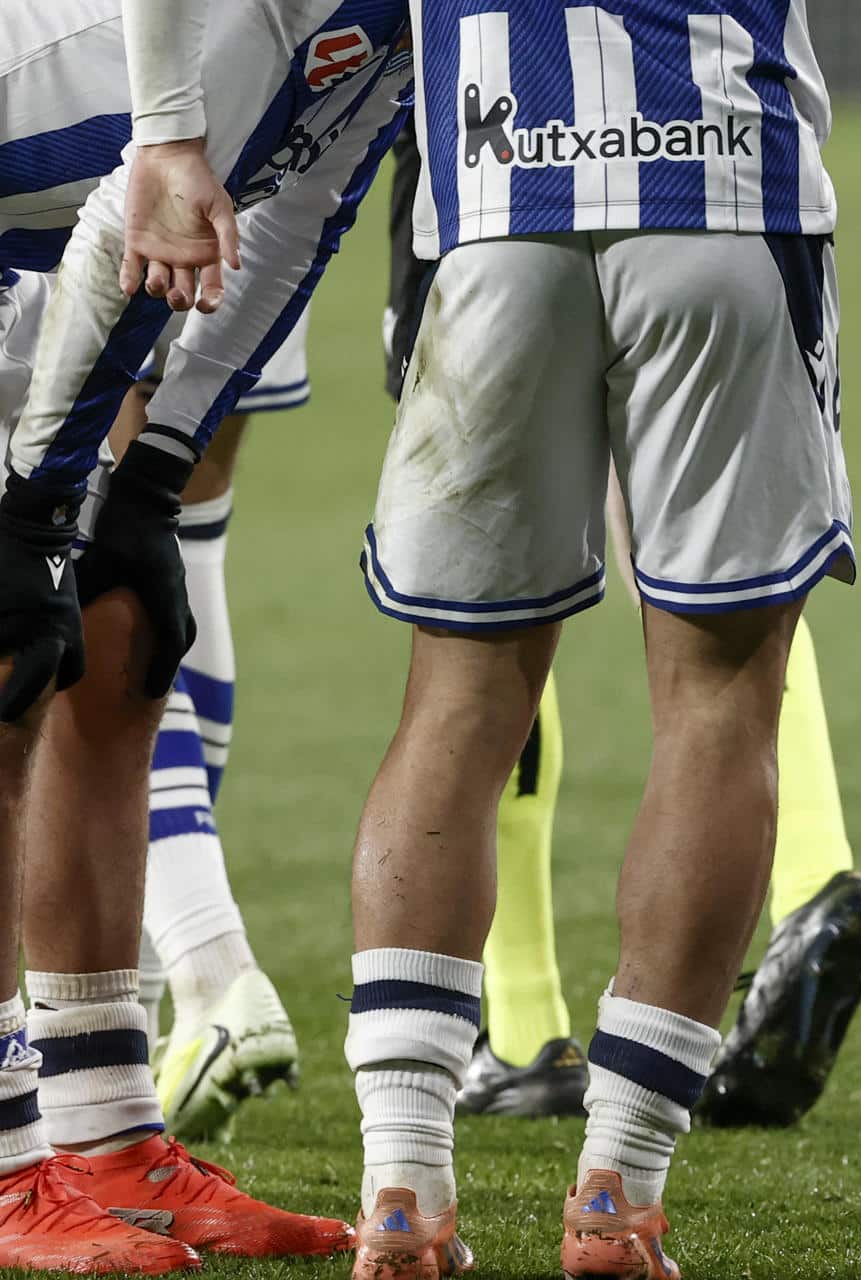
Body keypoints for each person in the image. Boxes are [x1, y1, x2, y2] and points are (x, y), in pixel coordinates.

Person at [330, 3, 849, 1274]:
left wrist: (183, 135)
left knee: (454, 703)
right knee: (720, 700)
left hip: (492, 199)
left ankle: (403, 1188)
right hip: (720, 190)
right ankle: (617, 1192)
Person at [0, 0, 415, 1268]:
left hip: (53, 237)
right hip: (67, 220)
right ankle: (10, 1165)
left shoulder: (422, 31)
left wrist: (152, 467)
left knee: (120, 629)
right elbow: (141, 202)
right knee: (8, 650)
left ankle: (108, 1129)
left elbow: (295, 223)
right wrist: (34, 508)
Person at [377, 117, 861, 1129]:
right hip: (716, 162)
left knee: (486, 596)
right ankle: (812, 873)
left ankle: (525, 1025)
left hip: (491, 160)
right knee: (723, 557)